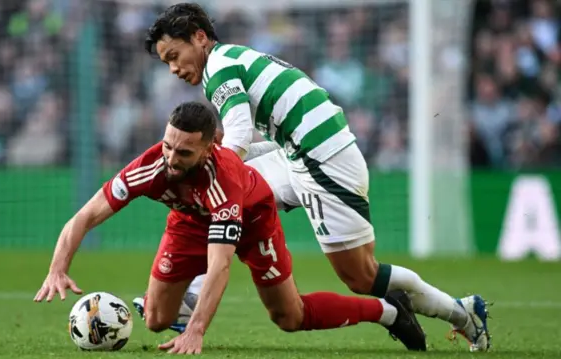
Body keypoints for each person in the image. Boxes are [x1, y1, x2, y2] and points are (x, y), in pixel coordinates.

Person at [144, 3, 491, 352]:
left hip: (324, 161)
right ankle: (191, 294)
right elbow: (263, 135)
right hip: (300, 153)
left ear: (199, 38)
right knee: (220, 199)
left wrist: (215, 159)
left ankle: (462, 312)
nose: (173, 68)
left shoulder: (218, 69)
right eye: (166, 62)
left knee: (361, 275)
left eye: (175, 55)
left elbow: (239, 136)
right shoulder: (229, 60)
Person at [33, 101, 427, 354]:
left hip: (254, 221)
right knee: (154, 319)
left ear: (210, 148)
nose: (171, 157)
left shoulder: (222, 180)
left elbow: (219, 265)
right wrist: (57, 268)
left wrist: (197, 332)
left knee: (290, 317)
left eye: (184, 152)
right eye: (168, 145)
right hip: (188, 223)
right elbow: (85, 216)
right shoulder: (152, 166)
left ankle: (387, 311)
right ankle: (184, 303)